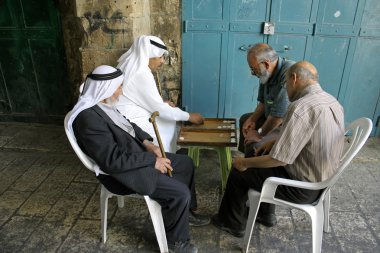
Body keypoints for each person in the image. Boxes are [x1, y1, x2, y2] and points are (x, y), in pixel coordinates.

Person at [68, 65, 209, 253]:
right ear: (106, 89)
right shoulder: (87, 119)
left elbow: (128, 125)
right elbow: (112, 161)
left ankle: (186, 211)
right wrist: (151, 161)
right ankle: (177, 242)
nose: (121, 91)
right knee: (179, 192)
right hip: (121, 174)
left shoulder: (102, 105)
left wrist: (148, 144)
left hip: (135, 156)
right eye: (118, 87)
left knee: (185, 164)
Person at [212, 61, 345, 237]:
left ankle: (231, 223)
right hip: (324, 180)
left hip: (303, 189)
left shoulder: (301, 107)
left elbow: (279, 159)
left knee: (239, 171)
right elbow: (306, 138)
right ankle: (266, 215)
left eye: (286, 84)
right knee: (260, 152)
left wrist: (244, 162)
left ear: (294, 78)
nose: (286, 88)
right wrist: (273, 142)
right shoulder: (331, 100)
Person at [115, 35, 204, 153]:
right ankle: (165, 158)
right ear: (148, 55)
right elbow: (160, 110)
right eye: (160, 56)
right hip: (129, 122)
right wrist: (189, 116)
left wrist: (161, 104)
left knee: (169, 117)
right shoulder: (141, 73)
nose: (162, 61)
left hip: (124, 116)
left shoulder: (129, 65)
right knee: (167, 123)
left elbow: (139, 98)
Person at [239, 43, 295, 157]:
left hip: (285, 127)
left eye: (253, 69)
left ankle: (249, 163)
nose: (252, 73)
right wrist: (252, 119)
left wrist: (259, 133)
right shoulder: (266, 73)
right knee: (245, 119)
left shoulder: (289, 72)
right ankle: (245, 156)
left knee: (254, 144)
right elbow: (263, 102)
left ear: (265, 64)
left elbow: (278, 116)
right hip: (271, 117)